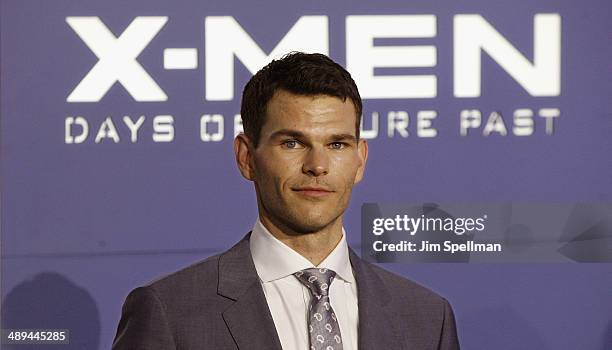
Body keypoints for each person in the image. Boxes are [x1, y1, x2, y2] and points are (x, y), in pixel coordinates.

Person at [112, 52, 460, 350]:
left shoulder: (427, 318)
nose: (317, 166)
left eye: (337, 144)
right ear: (247, 157)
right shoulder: (170, 311)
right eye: (292, 143)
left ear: (360, 160)